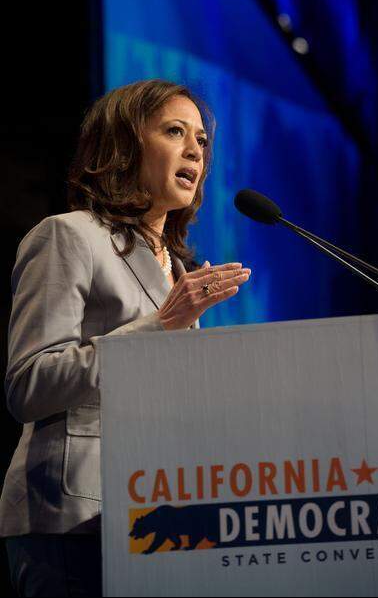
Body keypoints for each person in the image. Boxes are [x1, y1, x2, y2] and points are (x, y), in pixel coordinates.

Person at [0, 79, 252, 596]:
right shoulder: (68, 236)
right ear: (126, 145)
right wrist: (159, 327)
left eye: (201, 140)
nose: (194, 151)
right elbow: (28, 386)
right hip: (75, 516)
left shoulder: (177, 269)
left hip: (157, 514)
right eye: (174, 132)